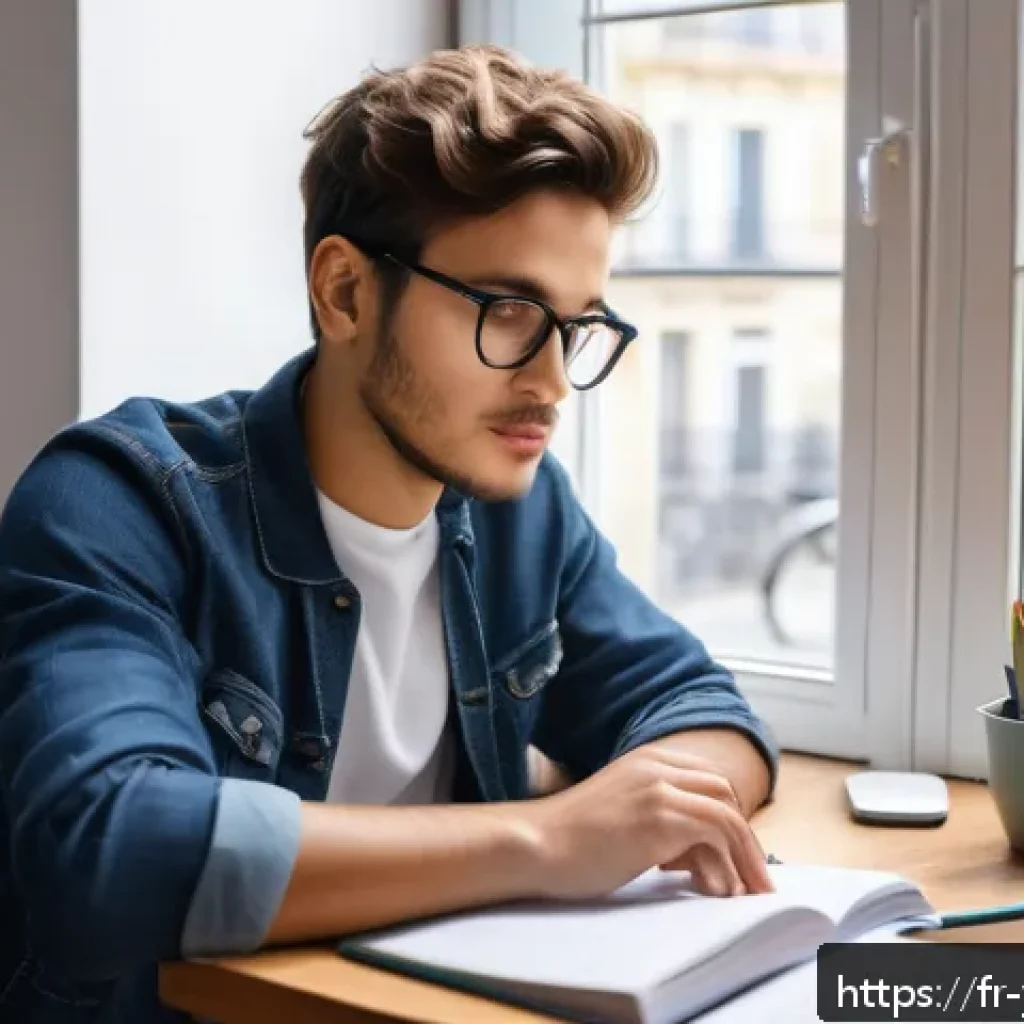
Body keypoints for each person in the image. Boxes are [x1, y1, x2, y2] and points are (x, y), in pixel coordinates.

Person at [0, 44, 779, 1023]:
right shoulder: (120, 499)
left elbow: (699, 706)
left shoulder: (517, 510)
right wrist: (546, 837)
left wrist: (637, 807)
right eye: (508, 311)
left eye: (577, 326)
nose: (546, 381)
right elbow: (109, 848)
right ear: (345, 293)